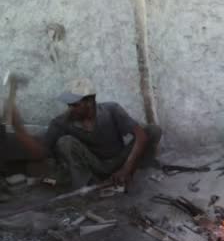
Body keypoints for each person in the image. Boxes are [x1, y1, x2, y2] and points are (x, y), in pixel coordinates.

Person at [12, 77, 161, 189]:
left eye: (75, 105)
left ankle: (138, 172)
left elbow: (140, 135)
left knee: (152, 130)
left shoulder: (111, 110)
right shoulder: (62, 121)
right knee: (65, 142)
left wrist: (126, 169)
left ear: (90, 101)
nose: (70, 109)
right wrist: (19, 129)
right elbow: (42, 151)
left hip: (119, 160)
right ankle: (90, 186)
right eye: (69, 105)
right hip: (95, 166)